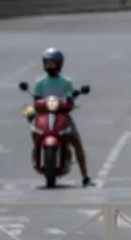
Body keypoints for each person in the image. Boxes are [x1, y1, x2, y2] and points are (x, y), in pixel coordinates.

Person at [31, 48, 92, 187]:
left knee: (76, 141)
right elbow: (36, 99)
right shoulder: (40, 82)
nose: (49, 66)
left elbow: (70, 98)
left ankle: (85, 176)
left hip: (62, 115)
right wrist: (39, 105)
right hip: (43, 115)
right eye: (47, 63)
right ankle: (36, 157)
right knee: (35, 134)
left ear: (59, 64)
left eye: (52, 64)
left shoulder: (66, 82)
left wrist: (72, 98)